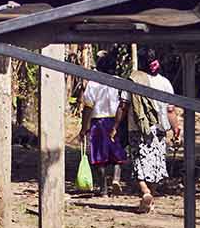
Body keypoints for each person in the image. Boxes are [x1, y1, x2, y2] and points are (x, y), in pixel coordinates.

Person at [127, 49, 179, 212]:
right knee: (156, 163)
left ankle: (145, 192)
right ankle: (150, 196)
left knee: (138, 162)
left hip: (137, 128)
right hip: (159, 128)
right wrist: (176, 128)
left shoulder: (134, 79)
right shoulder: (165, 83)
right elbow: (170, 110)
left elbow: (124, 104)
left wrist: (115, 126)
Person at [76, 51, 128, 197]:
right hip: (116, 121)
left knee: (99, 157)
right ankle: (116, 179)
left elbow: (88, 107)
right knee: (117, 153)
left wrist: (84, 127)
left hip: (98, 123)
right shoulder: (119, 82)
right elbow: (123, 104)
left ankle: (103, 188)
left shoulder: (93, 83)